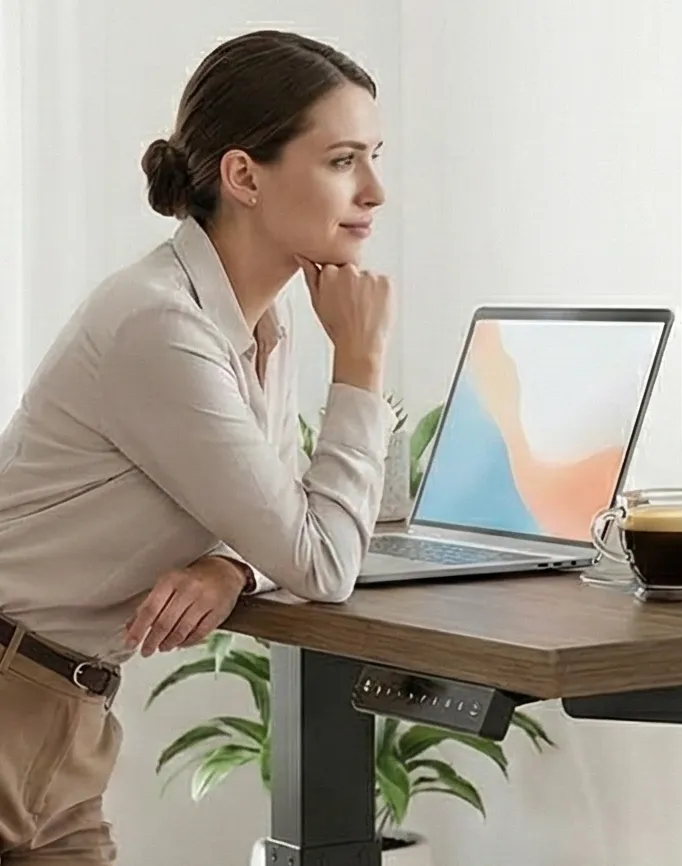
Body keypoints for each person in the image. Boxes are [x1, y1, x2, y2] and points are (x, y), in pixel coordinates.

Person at [0, 30, 396, 863]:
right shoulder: (162, 326)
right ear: (244, 175)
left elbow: (279, 512)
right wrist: (359, 365)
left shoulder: (260, 323)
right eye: (342, 160)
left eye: (372, 158)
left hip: (65, 713)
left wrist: (230, 565)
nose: (374, 191)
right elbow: (322, 562)